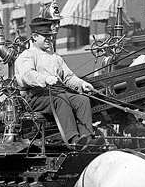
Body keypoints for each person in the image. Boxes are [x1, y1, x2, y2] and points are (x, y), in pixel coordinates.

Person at [14, 16, 101, 148]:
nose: (50, 39)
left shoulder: (55, 57)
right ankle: (73, 139)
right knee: (61, 100)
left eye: (51, 36)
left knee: (82, 100)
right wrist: (46, 79)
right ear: (35, 36)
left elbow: (68, 76)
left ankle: (87, 138)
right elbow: (27, 75)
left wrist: (81, 84)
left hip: (54, 94)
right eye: (46, 36)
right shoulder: (27, 55)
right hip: (34, 98)